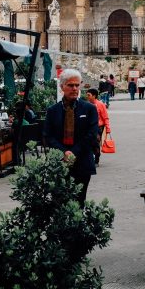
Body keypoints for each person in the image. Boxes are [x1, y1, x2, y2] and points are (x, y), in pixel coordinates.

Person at [43, 69, 99, 205]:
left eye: (77, 85)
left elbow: (91, 135)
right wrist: (64, 152)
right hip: (59, 163)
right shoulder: (52, 111)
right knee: (59, 202)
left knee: (79, 201)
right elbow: (47, 136)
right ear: (62, 87)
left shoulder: (89, 109)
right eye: (70, 85)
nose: (74, 88)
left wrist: (73, 152)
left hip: (82, 162)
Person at [85, 88, 110, 163]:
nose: (87, 97)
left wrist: (108, 128)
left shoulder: (100, 104)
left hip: (98, 127)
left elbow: (105, 117)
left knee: (96, 142)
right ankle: (91, 157)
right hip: (88, 127)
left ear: (94, 96)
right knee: (89, 142)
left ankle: (96, 158)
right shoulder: (86, 104)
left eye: (89, 95)